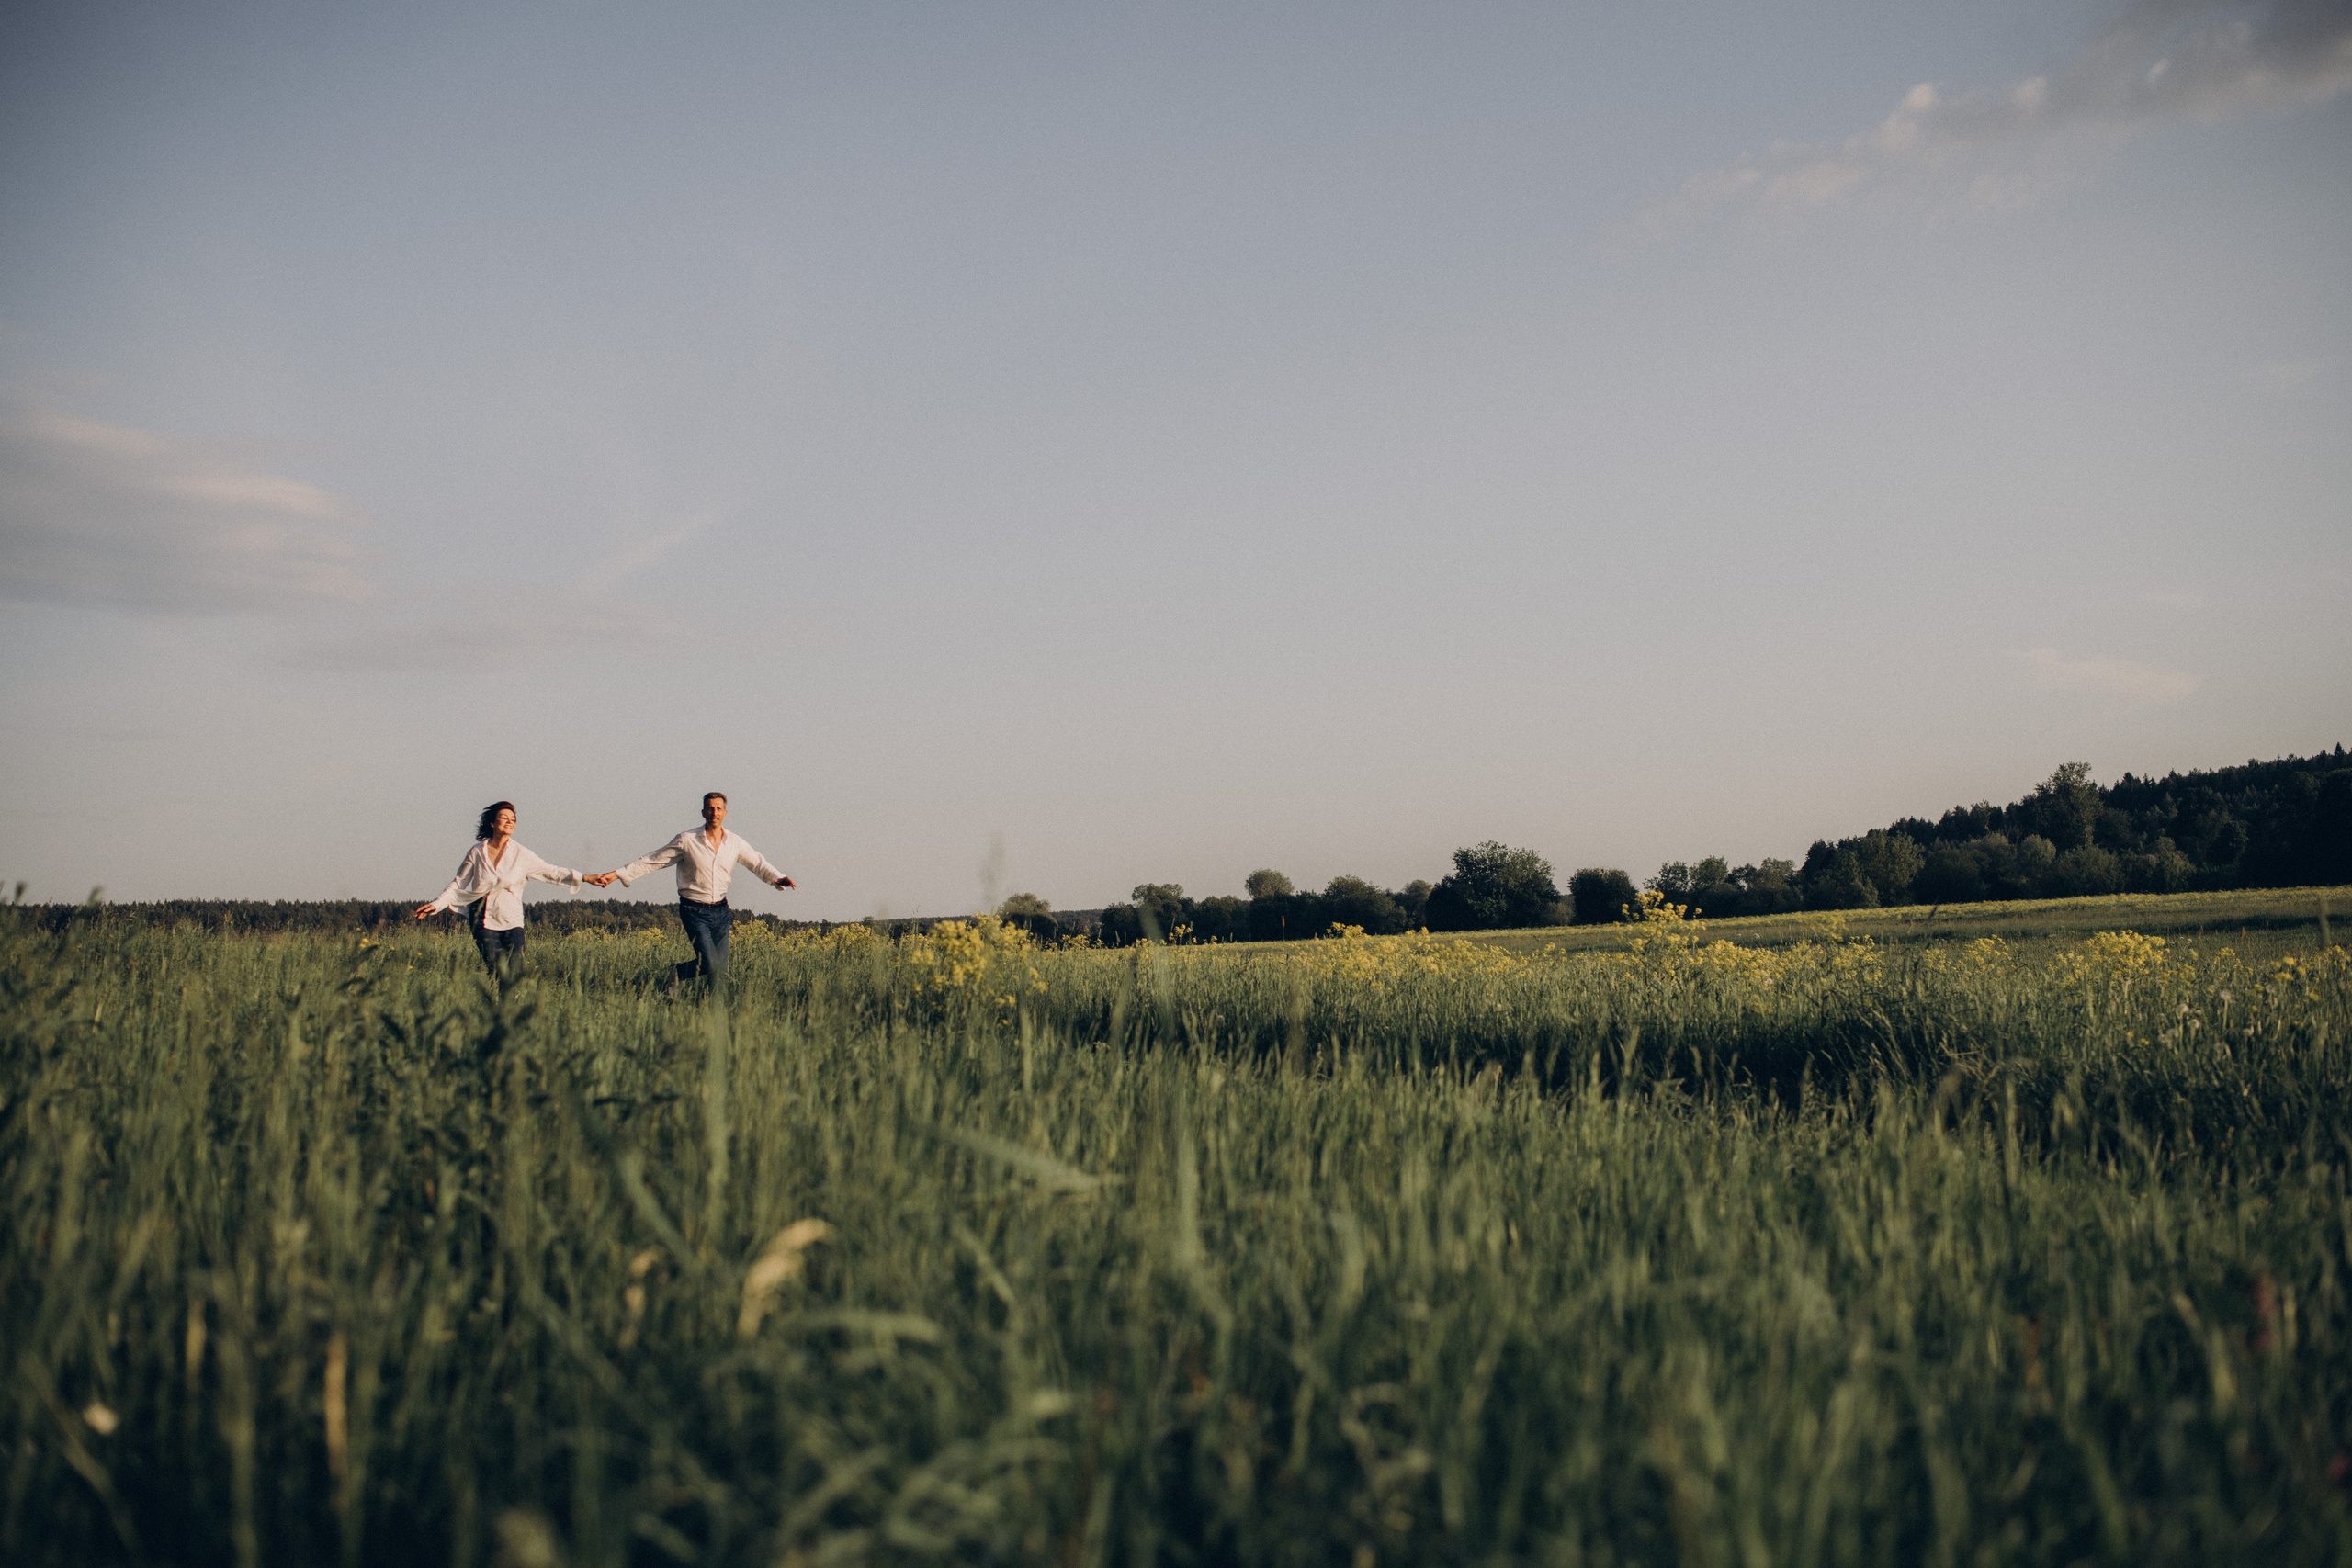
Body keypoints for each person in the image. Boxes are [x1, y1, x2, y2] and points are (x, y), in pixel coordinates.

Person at [590, 792, 794, 987]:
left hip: (721, 912)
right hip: (694, 911)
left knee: (719, 972)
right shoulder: (687, 840)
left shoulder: (735, 843)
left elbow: (757, 863)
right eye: (710, 809)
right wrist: (618, 873)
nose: (714, 813)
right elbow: (654, 860)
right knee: (709, 964)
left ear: (725, 813)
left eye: (719, 809)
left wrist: (777, 877)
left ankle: (712, 1017)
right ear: (703, 812)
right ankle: (676, 973)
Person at [414, 801, 590, 984]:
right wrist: (436, 904)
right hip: (481, 919)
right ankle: (498, 1008)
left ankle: (511, 1007)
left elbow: (551, 872)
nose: (509, 822)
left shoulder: (522, 854)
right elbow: (458, 884)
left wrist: (585, 877)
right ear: (492, 823)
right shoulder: (477, 852)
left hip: (511, 919)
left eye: (513, 819)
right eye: (504, 818)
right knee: (497, 970)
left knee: (515, 971)